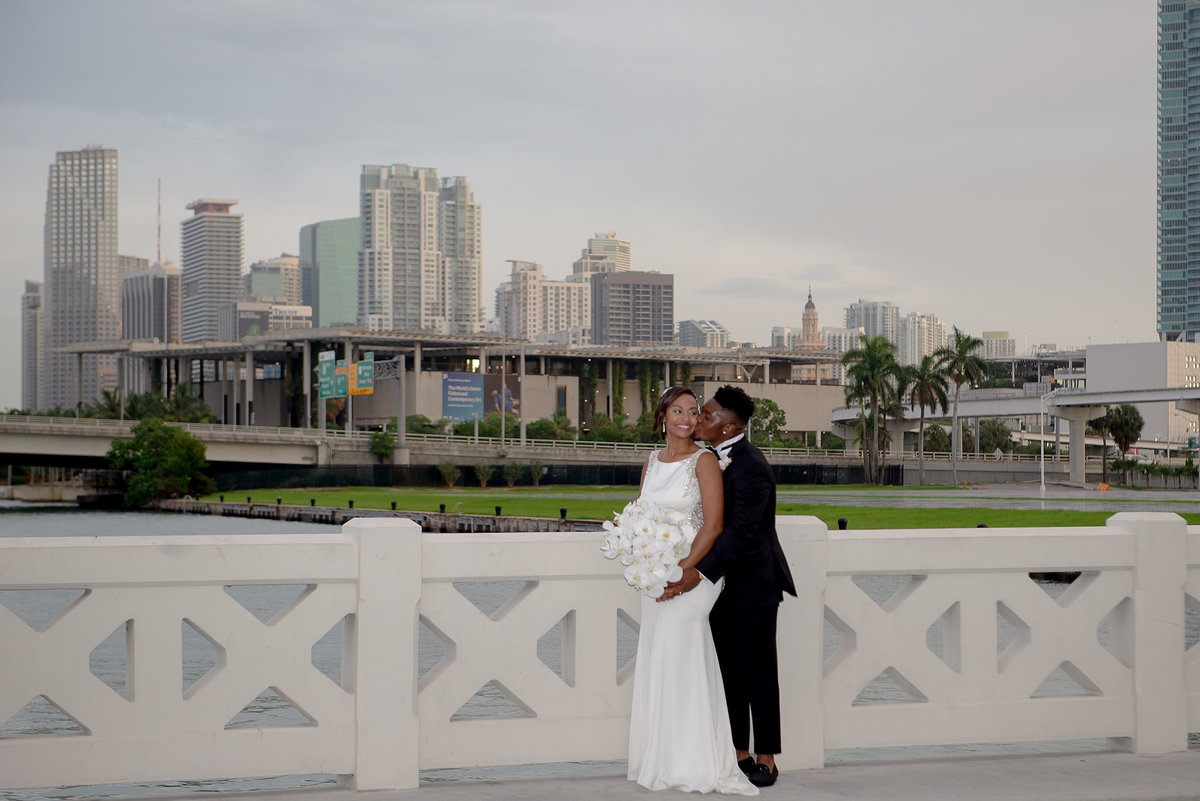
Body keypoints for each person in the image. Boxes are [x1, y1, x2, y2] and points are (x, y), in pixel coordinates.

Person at [661, 385, 797, 789]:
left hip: (754, 584)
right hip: (717, 588)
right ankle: (737, 752)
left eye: (708, 414)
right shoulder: (705, 459)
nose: (700, 418)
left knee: (759, 672)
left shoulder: (752, 466)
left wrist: (693, 573)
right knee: (728, 674)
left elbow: (740, 533)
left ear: (729, 426)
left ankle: (767, 757)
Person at [626, 386, 758, 795]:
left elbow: (713, 525)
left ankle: (695, 762)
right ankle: (662, 759)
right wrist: (645, 563)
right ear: (662, 416)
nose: (687, 418)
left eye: (693, 411)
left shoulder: (704, 462)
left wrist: (684, 572)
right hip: (656, 576)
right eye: (677, 410)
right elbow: (640, 514)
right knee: (660, 658)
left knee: (684, 656)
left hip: (693, 577)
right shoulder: (651, 461)